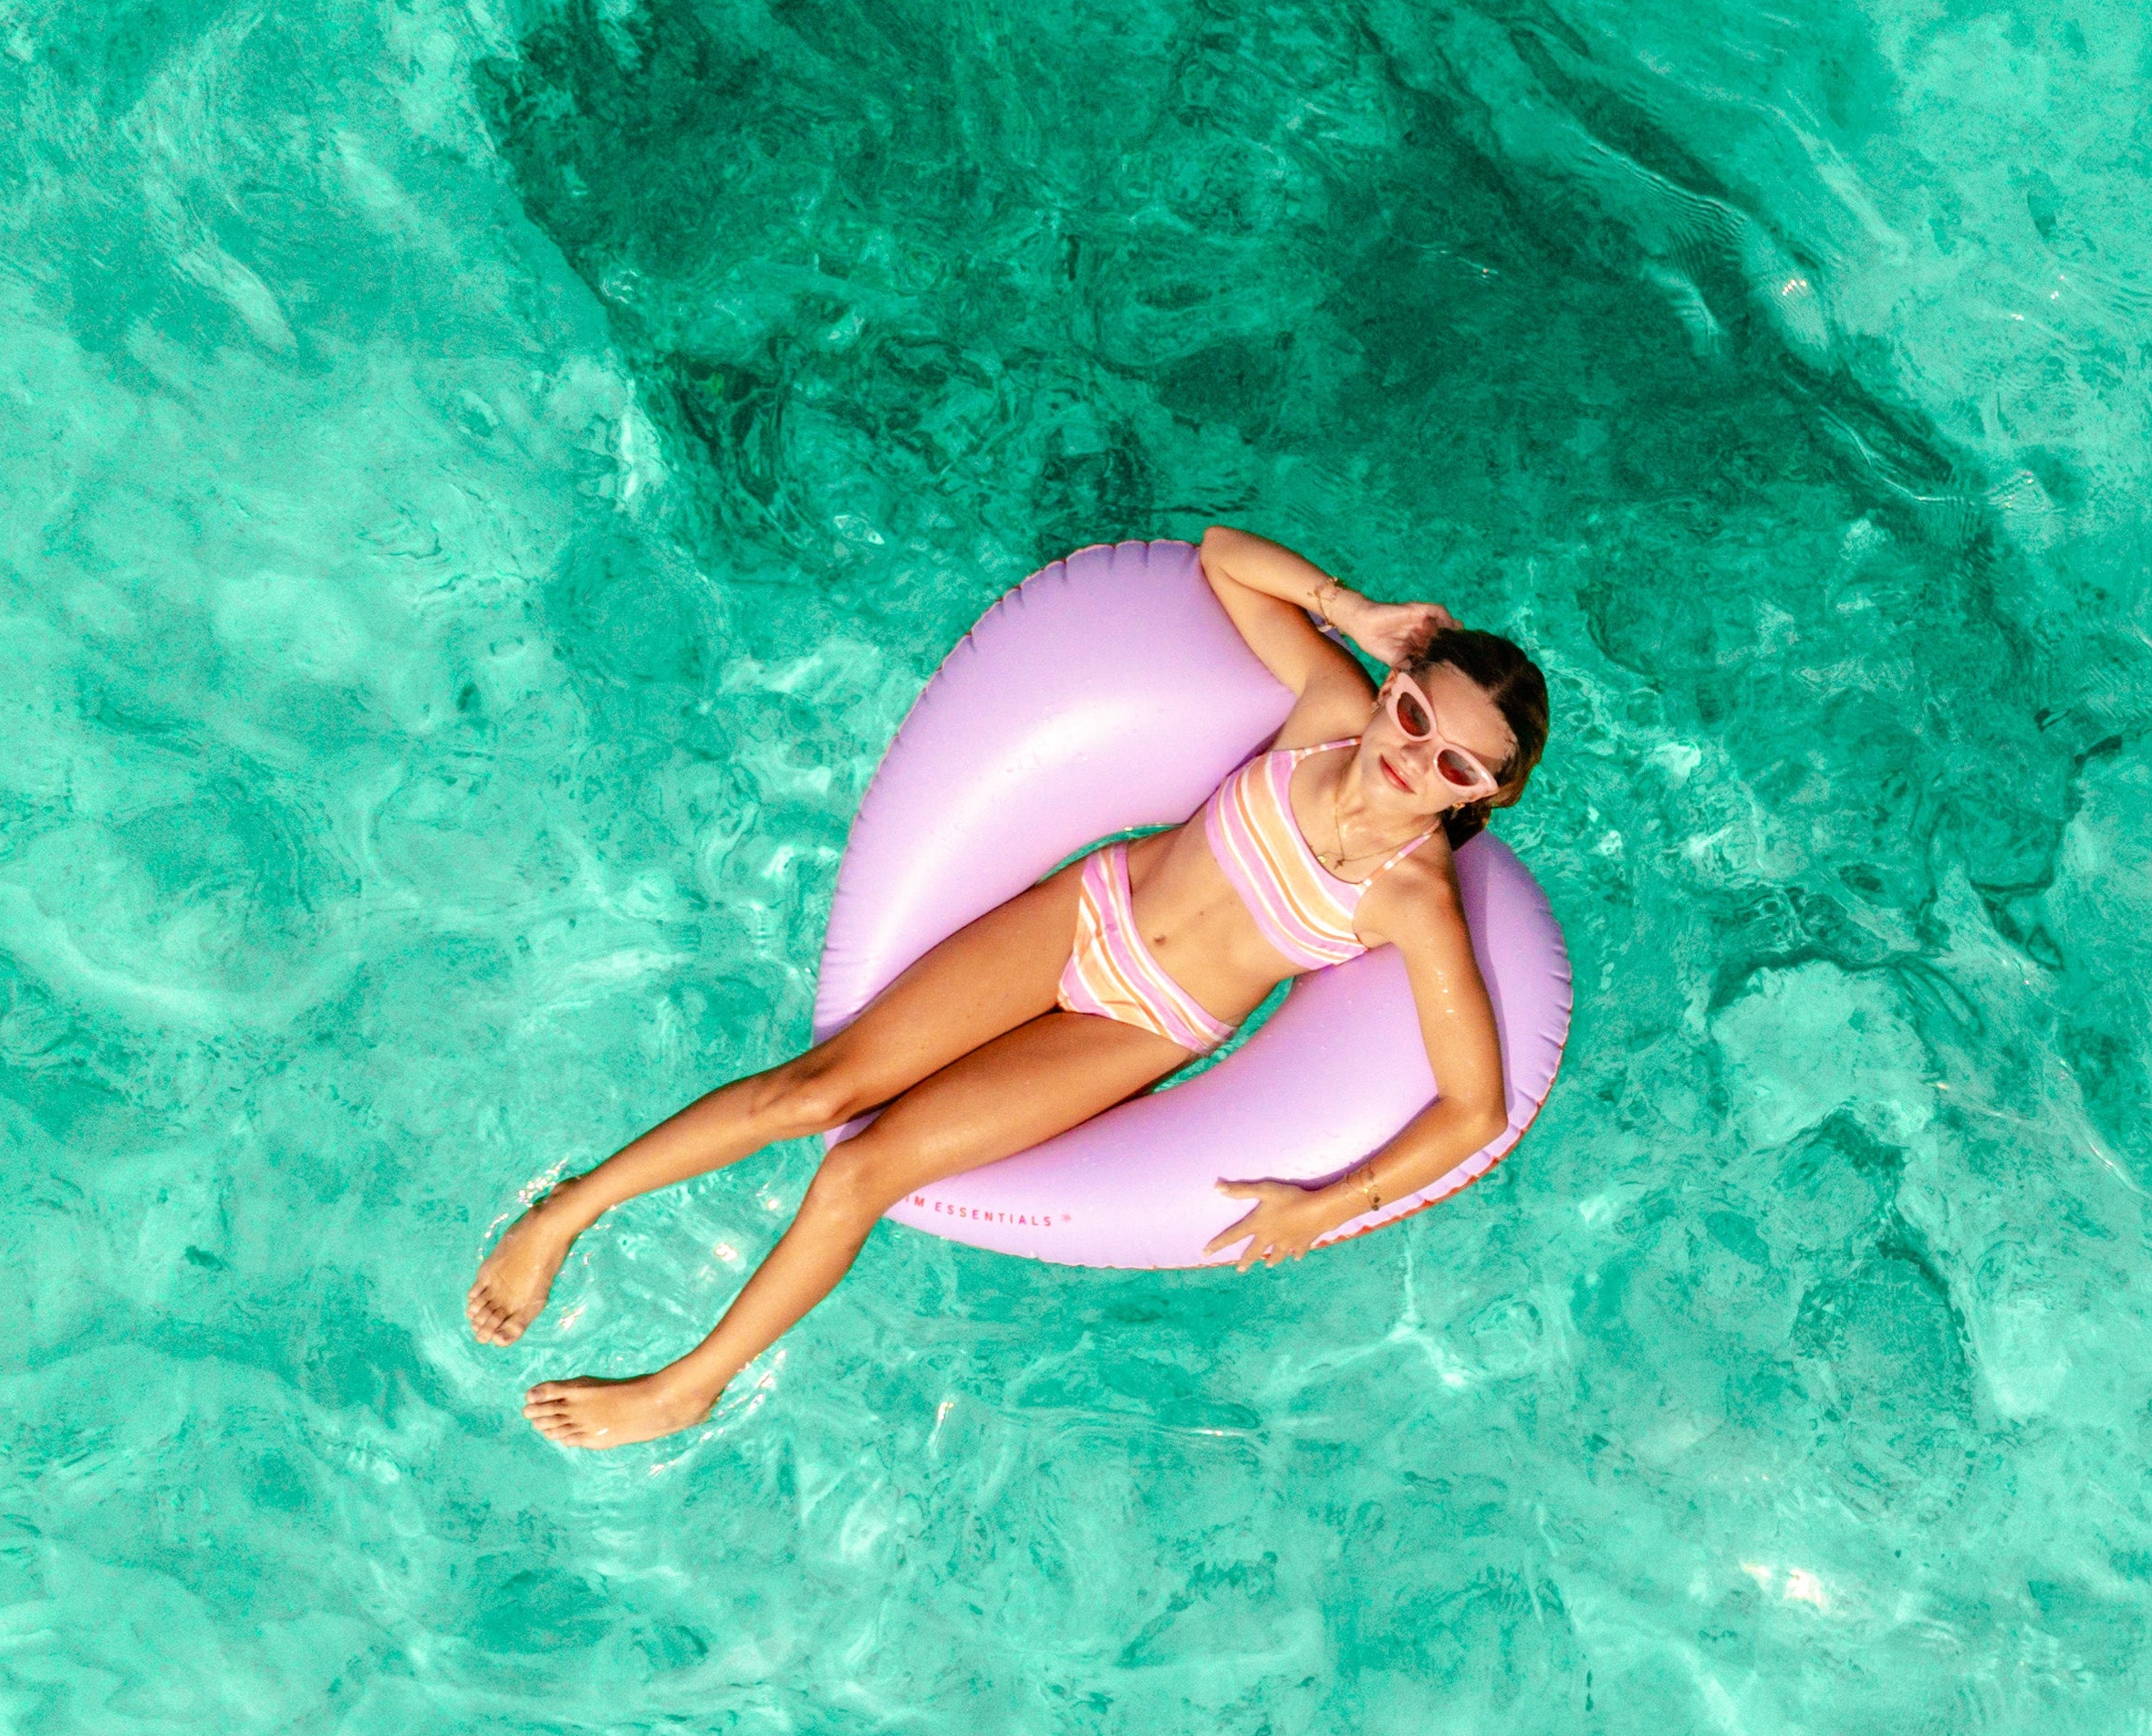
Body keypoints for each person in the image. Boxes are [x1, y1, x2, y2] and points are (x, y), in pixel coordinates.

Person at [468, 525, 1552, 1448]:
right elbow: (1222, 555)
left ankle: (687, 1386)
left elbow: (1475, 1110)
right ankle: (569, 1212)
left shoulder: (1414, 903)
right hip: (1084, 913)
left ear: (1483, 798)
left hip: (1139, 1025)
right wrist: (1352, 612)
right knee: (815, 1090)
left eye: (1457, 765)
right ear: (1395, 688)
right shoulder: (1331, 708)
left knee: (859, 1173)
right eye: (1417, 715)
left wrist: (1325, 1206)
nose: (1416, 757)